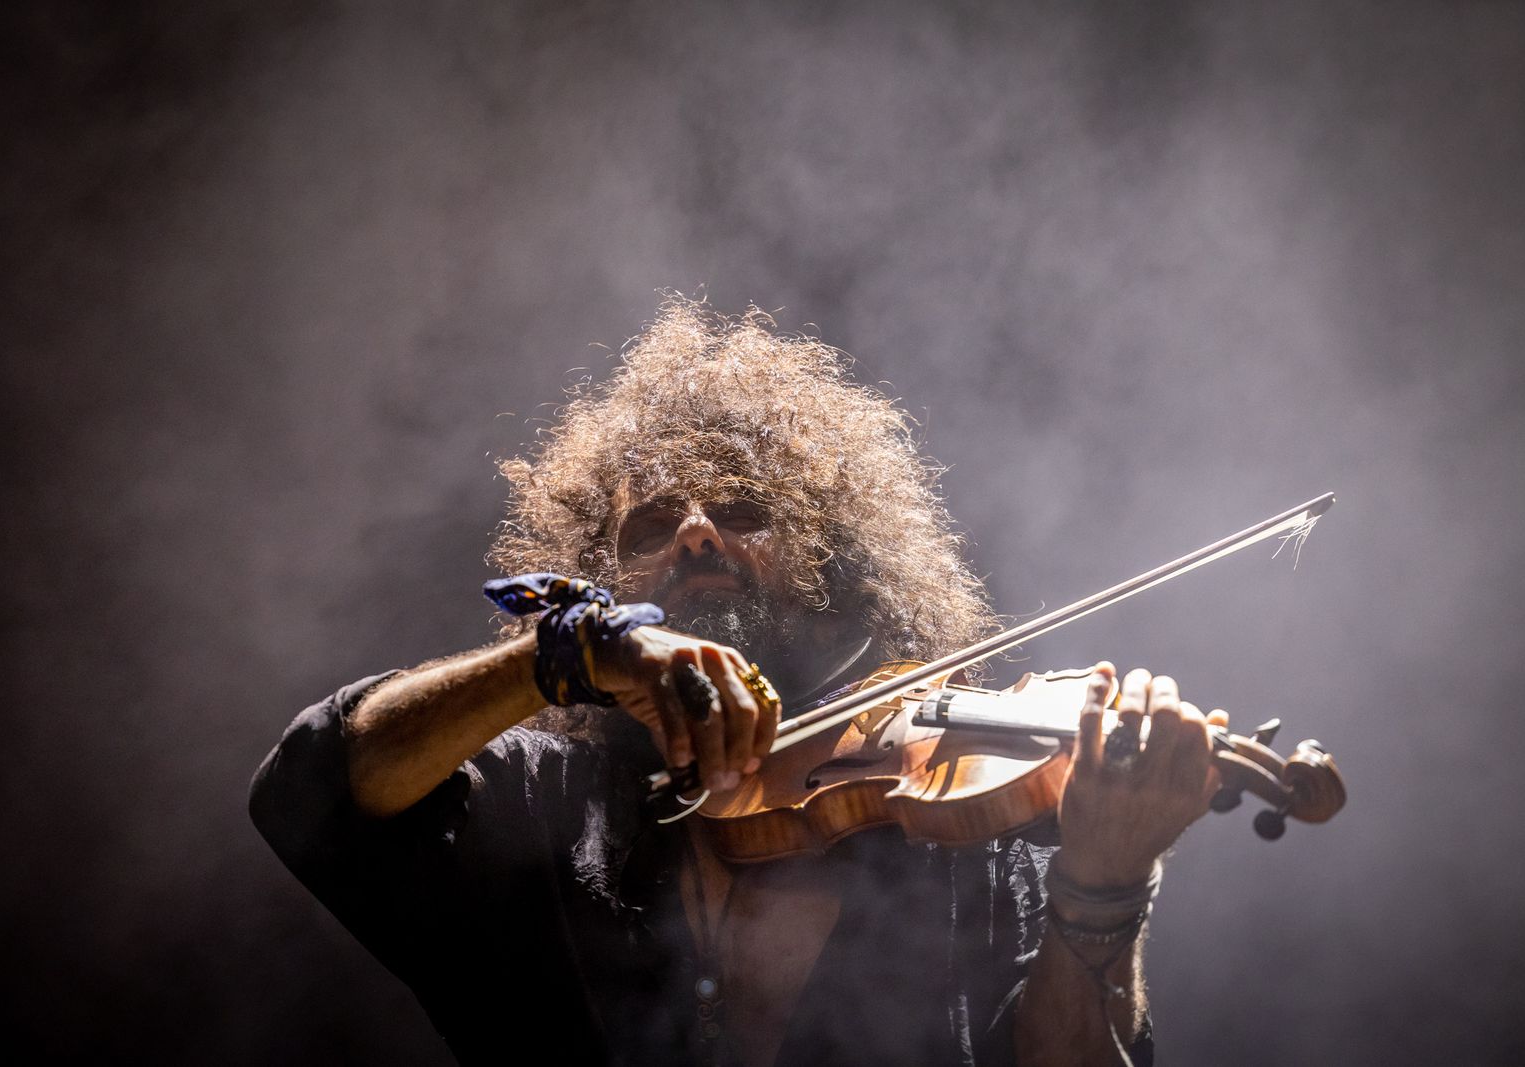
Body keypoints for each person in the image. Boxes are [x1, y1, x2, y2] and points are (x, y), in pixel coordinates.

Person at [250, 298, 1225, 1067]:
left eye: (744, 508)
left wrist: (1105, 879)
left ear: (832, 564)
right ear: (601, 576)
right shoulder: (536, 802)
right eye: (651, 522)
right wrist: (562, 653)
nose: (695, 531)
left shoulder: (949, 818)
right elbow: (313, 786)